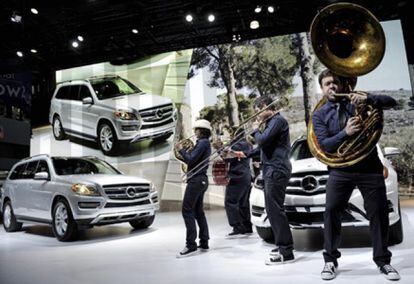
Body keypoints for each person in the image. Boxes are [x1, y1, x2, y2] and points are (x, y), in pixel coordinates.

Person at [313, 69, 399, 281]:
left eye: (334, 82)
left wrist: (369, 98)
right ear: (322, 88)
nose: (331, 86)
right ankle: (330, 260)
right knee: (331, 211)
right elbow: (324, 144)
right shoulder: (319, 114)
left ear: (341, 84)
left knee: (378, 214)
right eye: (327, 84)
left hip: (369, 167)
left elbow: (392, 102)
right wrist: (345, 133)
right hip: (340, 170)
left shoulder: (357, 101)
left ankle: (383, 261)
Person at [239, 96, 294, 264]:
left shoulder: (277, 121)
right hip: (272, 169)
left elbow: (262, 140)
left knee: (275, 210)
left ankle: (286, 251)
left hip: (276, 170)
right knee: (272, 210)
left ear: (264, 106)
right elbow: (263, 148)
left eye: (257, 111)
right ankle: (282, 245)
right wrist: (245, 154)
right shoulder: (271, 124)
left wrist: (256, 130)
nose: (256, 115)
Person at [175, 119, 212, 258]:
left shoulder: (202, 143)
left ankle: (191, 245)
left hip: (196, 181)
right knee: (198, 212)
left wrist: (181, 150)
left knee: (187, 210)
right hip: (200, 180)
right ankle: (204, 241)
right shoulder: (203, 143)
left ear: (201, 130)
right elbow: (194, 159)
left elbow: (190, 160)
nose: (194, 132)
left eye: (196, 129)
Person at [221, 127, 253, 238]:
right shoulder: (248, 144)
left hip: (237, 176)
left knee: (230, 202)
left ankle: (237, 226)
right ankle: (247, 226)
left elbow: (227, 159)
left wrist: (221, 149)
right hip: (246, 176)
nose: (230, 136)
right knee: (244, 203)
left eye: (230, 133)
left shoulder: (235, 145)